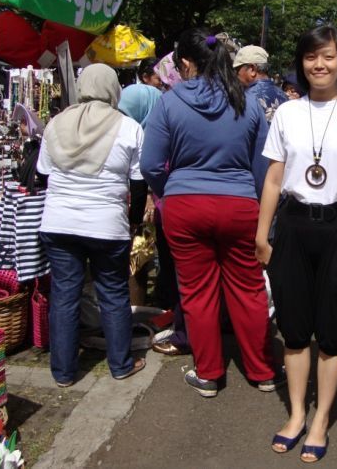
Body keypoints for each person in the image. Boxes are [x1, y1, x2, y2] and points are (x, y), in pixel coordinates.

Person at [256, 25, 337, 463]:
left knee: (331, 333)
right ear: (301, 62)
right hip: (292, 226)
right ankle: (295, 414)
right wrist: (262, 233)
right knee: (293, 330)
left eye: (328, 56)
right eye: (311, 57)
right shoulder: (287, 113)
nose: (319, 65)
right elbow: (274, 178)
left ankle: (320, 418)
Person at [140, 28, 279, 398]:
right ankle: (263, 371)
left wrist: (167, 191)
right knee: (248, 288)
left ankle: (209, 374)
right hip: (239, 205)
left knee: (197, 292)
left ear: (185, 63)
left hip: (185, 206)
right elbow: (263, 167)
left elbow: (151, 163)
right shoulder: (246, 101)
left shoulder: (169, 102)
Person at [38, 63, 147, 387]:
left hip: (58, 222)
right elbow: (139, 183)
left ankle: (63, 372)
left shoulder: (56, 123)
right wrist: (132, 223)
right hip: (107, 224)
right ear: (114, 88)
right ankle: (121, 364)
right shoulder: (128, 127)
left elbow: (44, 173)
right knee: (113, 293)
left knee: (64, 295)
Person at [118, 82, 189, 354]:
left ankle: (171, 316)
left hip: (166, 209)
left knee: (168, 265)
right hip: (159, 208)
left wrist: (153, 193)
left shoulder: (162, 132)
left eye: (128, 110)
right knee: (149, 262)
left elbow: (152, 169)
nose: (125, 116)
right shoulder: (146, 130)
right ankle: (163, 311)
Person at [233, 45, 288, 122]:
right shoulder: (284, 96)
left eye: (237, 69)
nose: (236, 74)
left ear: (252, 69)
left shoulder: (246, 99)